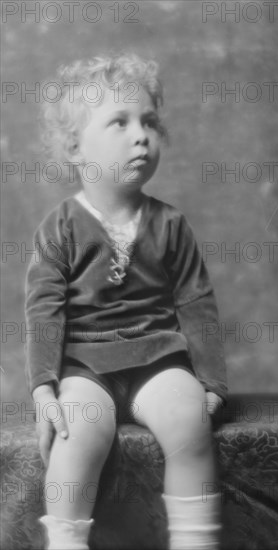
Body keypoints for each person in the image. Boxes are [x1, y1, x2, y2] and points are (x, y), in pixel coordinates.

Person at [25, 53, 227, 550]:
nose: (142, 135)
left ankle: (195, 540)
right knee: (76, 434)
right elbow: (44, 311)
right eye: (120, 122)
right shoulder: (62, 226)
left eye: (150, 122)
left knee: (188, 421)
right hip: (85, 367)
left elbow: (197, 301)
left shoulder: (170, 224)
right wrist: (44, 390)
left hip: (156, 358)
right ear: (76, 146)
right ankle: (67, 541)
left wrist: (212, 382)